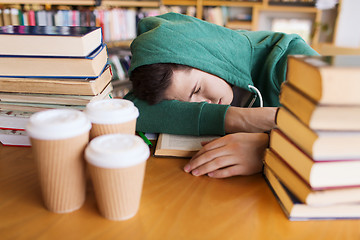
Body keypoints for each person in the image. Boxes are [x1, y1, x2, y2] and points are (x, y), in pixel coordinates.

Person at [124, 12, 319, 178]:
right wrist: (237, 118)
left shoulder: (291, 59)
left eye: (197, 90)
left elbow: (345, 129)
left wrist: (270, 150)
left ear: (206, 56)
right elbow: (130, 107)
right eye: (185, 104)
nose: (204, 104)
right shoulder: (204, 72)